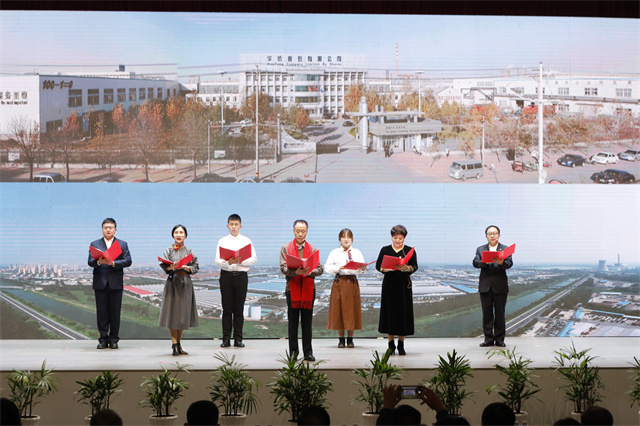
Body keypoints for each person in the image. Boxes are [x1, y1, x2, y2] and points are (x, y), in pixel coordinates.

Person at [280, 219, 323, 361]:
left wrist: (308, 272)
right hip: (292, 289)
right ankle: (293, 352)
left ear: (307, 232)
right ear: (293, 231)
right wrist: (296, 272)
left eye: (303, 231)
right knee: (292, 322)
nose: (300, 234)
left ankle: (308, 352)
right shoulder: (286, 248)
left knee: (307, 322)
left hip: (309, 290)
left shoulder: (313, 249)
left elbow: (320, 269)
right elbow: (283, 268)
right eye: (297, 230)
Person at [88, 218, 132, 350]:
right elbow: (90, 262)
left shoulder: (122, 244)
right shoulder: (95, 244)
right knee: (101, 313)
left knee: (115, 313)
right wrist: (99, 262)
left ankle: (113, 339)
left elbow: (128, 261)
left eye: (111, 227)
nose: (108, 229)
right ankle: (102, 339)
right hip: (100, 283)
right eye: (105, 227)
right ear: (102, 229)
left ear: (115, 229)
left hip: (115, 283)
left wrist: (114, 263)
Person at [215, 214, 257, 348]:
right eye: (231, 224)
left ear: (240, 226)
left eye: (236, 224)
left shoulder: (246, 241)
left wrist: (240, 261)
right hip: (226, 276)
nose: (233, 227)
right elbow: (217, 260)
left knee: (239, 309)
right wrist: (229, 262)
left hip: (241, 276)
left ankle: (238, 339)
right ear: (227, 226)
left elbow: (254, 259)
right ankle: (226, 339)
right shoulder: (222, 241)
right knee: (227, 309)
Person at [376, 225, 417, 356]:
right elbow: (378, 266)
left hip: (403, 286)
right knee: (390, 314)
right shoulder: (385, 249)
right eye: (395, 238)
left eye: (400, 238)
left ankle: (401, 344)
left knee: (402, 314)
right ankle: (390, 345)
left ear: (404, 238)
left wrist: (406, 268)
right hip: (389, 285)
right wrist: (387, 268)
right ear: (391, 237)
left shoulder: (409, 250)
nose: (397, 240)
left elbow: (415, 266)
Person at [159, 224, 199, 356]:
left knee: (182, 315)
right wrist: (171, 267)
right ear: (173, 235)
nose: (179, 235)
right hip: (172, 281)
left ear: (185, 235)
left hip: (185, 282)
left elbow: (196, 267)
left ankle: (179, 343)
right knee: (172, 314)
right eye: (176, 232)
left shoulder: (189, 251)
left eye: (181, 232)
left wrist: (188, 268)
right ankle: (174, 343)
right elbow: (165, 266)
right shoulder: (168, 250)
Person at [324, 228, 365, 348]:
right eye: (343, 237)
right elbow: (327, 268)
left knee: (352, 311)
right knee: (339, 311)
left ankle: (350, 339)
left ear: (352, 239)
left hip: (352, 282)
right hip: (339, 282)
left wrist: (361, 268)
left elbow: (362, 268)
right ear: (339, 239)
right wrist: (338, 268)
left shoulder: (357, 252)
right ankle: (341, 339)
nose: (346, 239)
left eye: (348, 237)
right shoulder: (334, 252)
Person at [473, 225, 513, 347]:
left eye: (495, 233)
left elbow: (509, 263)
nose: (492, 235)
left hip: (500, 286)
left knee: (500, 314)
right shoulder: (480, 249)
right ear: (486, 236)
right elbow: (475, 263)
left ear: (499, 235)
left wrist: (501, 263)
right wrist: (484, 262)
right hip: (485, 286)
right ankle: (488, 339)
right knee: (487, 314)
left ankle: (500, 340)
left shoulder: (505, 249)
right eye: (489, 233)